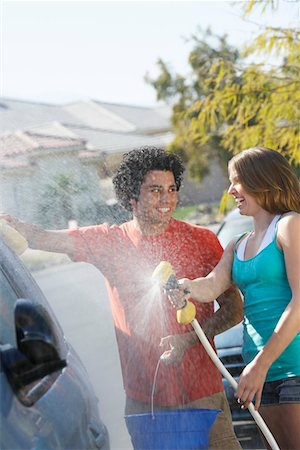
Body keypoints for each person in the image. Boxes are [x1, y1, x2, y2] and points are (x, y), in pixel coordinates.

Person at [0, 147, 243, 449]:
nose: (167, 200)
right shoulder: (109, 241)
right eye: (155, 191)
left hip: (204, 396)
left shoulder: (202, 240)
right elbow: (41, 237)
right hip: (146, 403)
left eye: (171, 189)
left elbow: (234, 309)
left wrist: (189, 341)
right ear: (131, 196)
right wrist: (14, 228)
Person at [179, 147, 300, 449]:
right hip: (259, 372)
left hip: (293, 368)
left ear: (262, 180)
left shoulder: (290, 226)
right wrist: (183, 286)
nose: (231, 190)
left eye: (237, 181)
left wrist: (260, 365)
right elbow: (211, 286)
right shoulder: (238, 243)